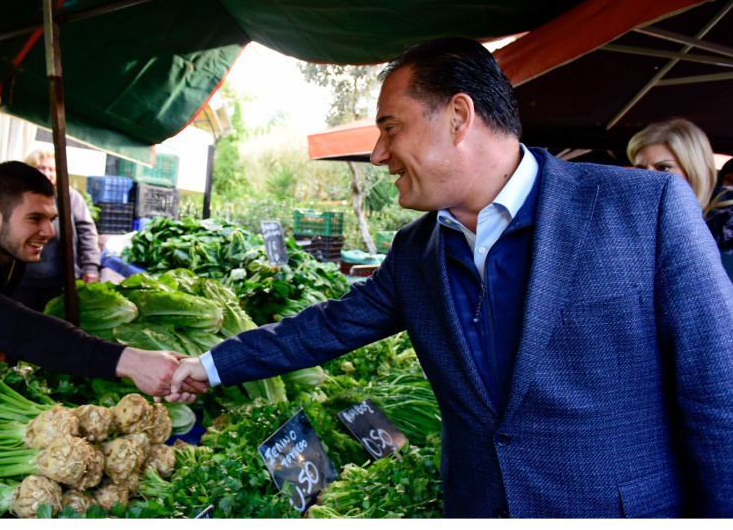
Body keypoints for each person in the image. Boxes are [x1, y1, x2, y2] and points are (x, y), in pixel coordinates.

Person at [168, 38, 733, 518]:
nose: (378, 153)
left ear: (459, 117)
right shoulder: (416, 251)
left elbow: (718, 396)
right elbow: (326, 327)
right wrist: (208, 367)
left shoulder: (642, 208)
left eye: (391, 128)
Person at [0, 161, 203, 400]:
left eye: (51, 219)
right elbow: (14, 327)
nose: (49, 233)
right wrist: (129, 361)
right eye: (35, 219)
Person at [628, 119, 733, 280]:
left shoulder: (726, 217)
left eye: (663, 168)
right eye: (641, 169)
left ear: (693, 168)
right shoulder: (637, 220)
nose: (648, 178)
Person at [12, 147, 100, 312]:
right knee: (23, 326)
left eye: (51, 169)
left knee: (54, 326)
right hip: (23, 280)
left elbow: (87, 233)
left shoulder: (69, 197)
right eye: (41, 168)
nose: (47, 173)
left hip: (59, 281)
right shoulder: (18, 196)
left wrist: (90, 267)